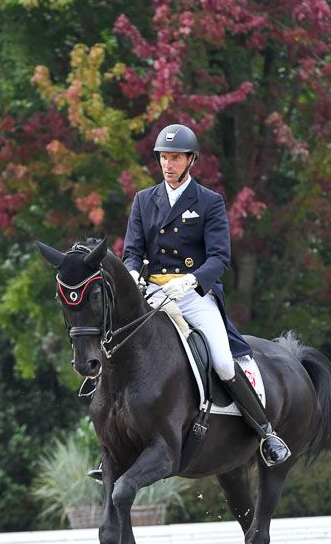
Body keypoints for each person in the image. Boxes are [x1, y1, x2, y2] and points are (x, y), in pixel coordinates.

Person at [89, 123, 289, 478]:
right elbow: (132, 252)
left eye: (175, 158)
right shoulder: (143, 200)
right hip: (151, 295)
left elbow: (219, 257)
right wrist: (133, 274)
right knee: (114, 350)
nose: (168, 164)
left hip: (193, 296)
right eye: (164, 157)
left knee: (225, 362)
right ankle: (110, 448)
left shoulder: (209, 202)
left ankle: (265, 433)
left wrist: (192, 281)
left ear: (190, 160)